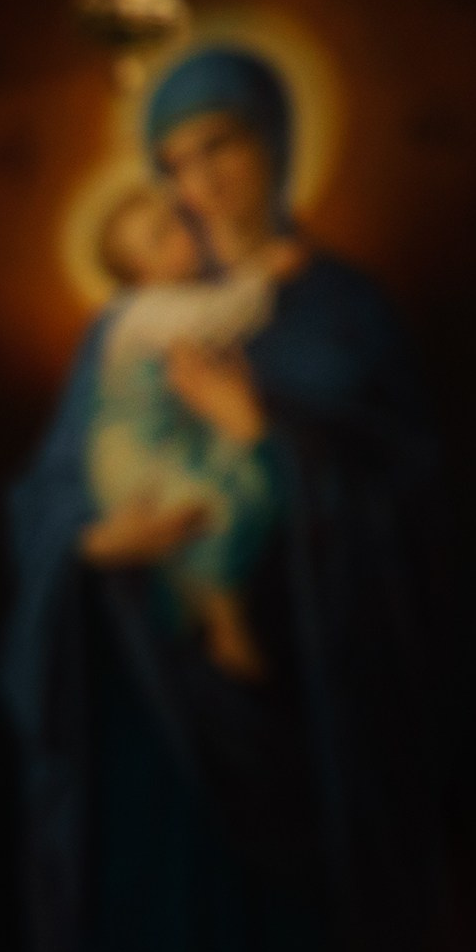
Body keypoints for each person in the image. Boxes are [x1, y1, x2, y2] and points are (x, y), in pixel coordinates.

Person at [4, 45, 476, 952]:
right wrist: (92, 545)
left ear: (273, 143)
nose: (197, 182)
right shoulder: (124, 329)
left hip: (308, 740)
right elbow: (50, 501)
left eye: (217, 146)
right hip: (147, 730)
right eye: (174, 161)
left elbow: (413, 526)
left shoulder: (341, 317)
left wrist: (260, 433)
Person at [85, 185, 307, 682]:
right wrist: (266, 272)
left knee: (245, 485)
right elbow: (219, 316)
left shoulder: (175, 300)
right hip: (136, 457)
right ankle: (227, 630)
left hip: (176, 440)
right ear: (141, 272)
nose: (182, 233)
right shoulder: (147, 311)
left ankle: (217, 616)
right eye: (161, 235)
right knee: (210, 509)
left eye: (174, 221)